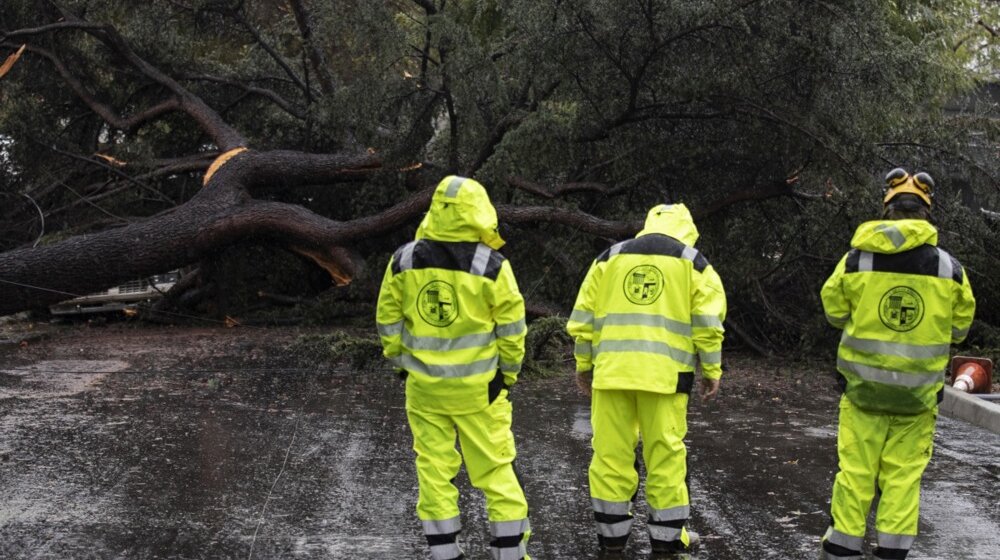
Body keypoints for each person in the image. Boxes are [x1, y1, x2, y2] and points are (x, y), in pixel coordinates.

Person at [819, 169, 975, 560]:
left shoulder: (857, 261)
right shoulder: (948, 270)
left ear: (886, 208)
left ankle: (842, 548)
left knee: (855, 473)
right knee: (903, 478)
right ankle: (892, 553)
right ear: (927, 211)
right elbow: (959, 328)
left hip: (862, 395)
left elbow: (834, 311)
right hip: (916, 400)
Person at [376, 175, 531, 560]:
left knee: (433, 469)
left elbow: (387, 322)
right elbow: (512, 329)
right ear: (480, 211)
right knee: (495, 471)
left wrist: (402, 365)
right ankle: (510, 553)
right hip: (480, 391)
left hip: (425, 390)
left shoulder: (404, 259)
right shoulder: (492, 265)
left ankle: (445, 553)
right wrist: (507, 376)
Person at [566, 203, 727, 555]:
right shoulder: (693, 262)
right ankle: (667, 544)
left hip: (612, 377)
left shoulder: (609, 258)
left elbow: (584, 317)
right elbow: (708, 324)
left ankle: (611, 543)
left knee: (609, 458)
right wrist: (711, 371)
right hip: (665, 381)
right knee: (666, 459)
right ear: (687, 229)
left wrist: (583, 365)